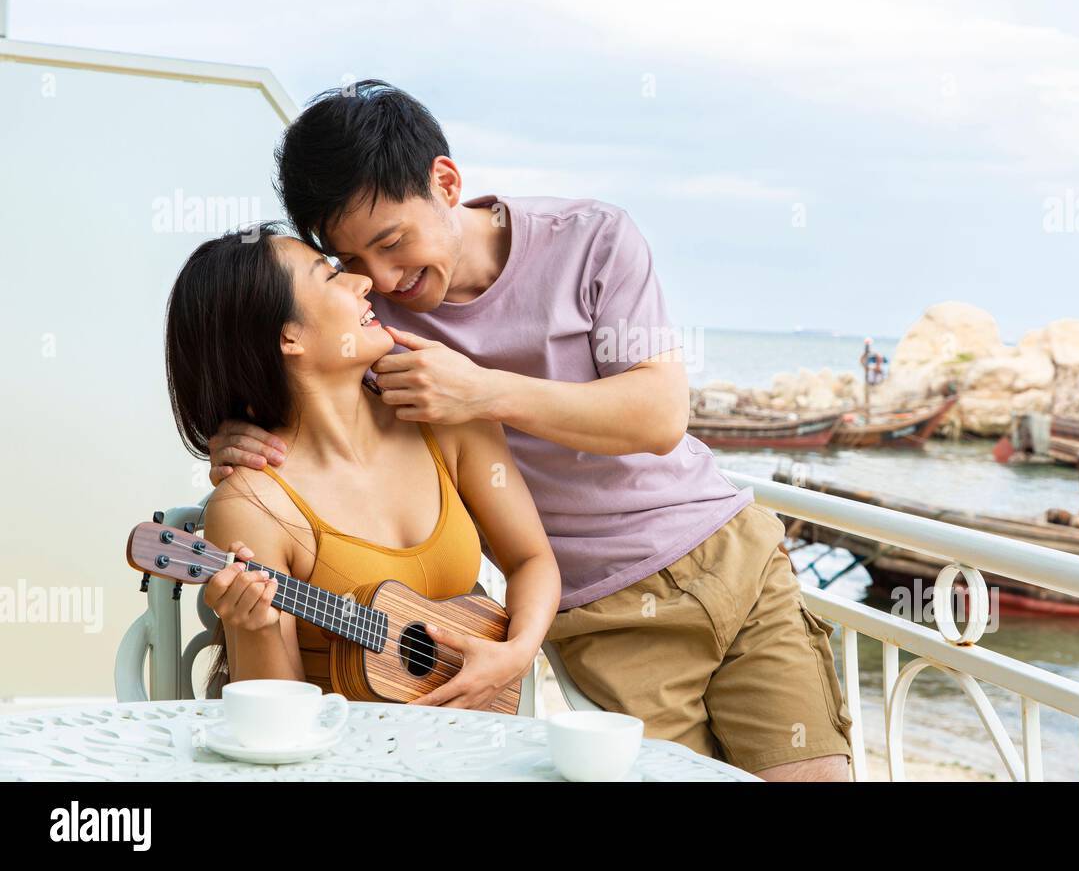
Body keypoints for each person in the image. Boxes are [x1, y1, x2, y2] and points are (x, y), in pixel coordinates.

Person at [207, 81, 853, 780]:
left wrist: (481, 391)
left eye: (393, 242)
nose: (385, 280)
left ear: (446, 182)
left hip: (733, 551)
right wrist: (237, 432)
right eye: (355, 263)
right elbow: (303, 385)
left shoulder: (594, 239)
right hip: (603, 611)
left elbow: (661, 417)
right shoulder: (379, 331)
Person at [165, 225, 560, 708]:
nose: (363, 281)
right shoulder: (252, 504)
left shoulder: (445, 416)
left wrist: (517, 655)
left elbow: (531, 560)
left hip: (475, 746)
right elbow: (280, 725)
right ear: (288, 336)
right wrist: (256, 626)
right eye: (331, 276)